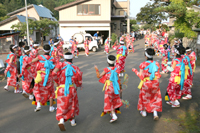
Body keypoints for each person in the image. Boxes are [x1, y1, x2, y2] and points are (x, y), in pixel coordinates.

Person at [52, 52, 83, 131]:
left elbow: (54, 73)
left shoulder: (60, 65)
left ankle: (61, 120)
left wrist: (57, 81)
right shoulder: (75, 68)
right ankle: (72, 121)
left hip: (61, 88)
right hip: (71, 88)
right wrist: (78, 85)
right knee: (72, 104)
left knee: (61, 105)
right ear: (72, 59)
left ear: (64, 59)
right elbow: (79, 79)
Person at [132, 48, 162, 120]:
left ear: (146, 56)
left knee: (145, 97)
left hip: (146, 84)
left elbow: (141, 76)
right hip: (155, 83)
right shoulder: (157, 63)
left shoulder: (143, 64)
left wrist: (135, 71)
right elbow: (157, 74)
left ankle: (144, 112)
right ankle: (155, 113)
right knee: (155, 97)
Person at [94, 55, 123, 123]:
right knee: (114, 99)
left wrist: (96, 69)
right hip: (115, 87)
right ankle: (112, 112)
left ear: (107, 61)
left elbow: (99, 76)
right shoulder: (117, 69)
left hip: (109, 87)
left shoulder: (106, 69)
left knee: (109, 101)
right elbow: (118, 80)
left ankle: (114, 115)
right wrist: (120, 88)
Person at [31, 44, 56, 112]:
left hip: (40, 76)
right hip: (49, 77)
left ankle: (38, 104)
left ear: (43, 50)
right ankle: (51, 107)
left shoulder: (40, 57)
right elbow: (56, 67)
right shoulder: (52, 59)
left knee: (37, 89)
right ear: (50, 50)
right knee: (50, 91)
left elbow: (32, 61)